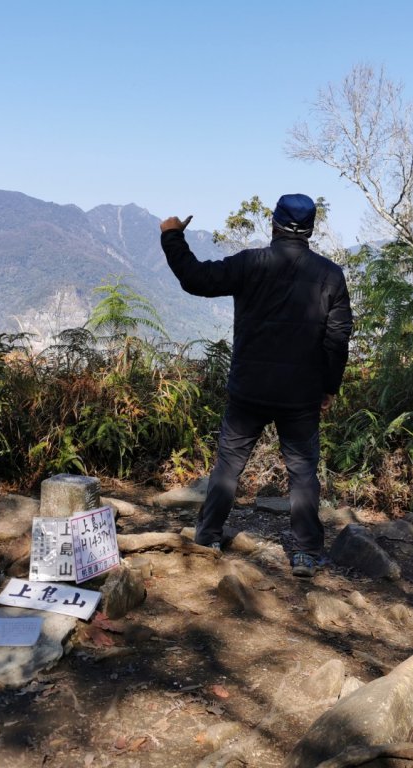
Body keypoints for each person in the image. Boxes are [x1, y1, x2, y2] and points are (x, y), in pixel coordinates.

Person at [160, 193, 353, 577]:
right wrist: (328, 388)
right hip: (300, 395)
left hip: (248, 389)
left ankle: (208, 536)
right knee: (302, 472)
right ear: (311, 229)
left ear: (274, 224)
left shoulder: (250, 264)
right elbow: (338, 339)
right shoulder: (330, 275)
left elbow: (196, 278)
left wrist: (171, 237)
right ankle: (307, 553)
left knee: (228, 466)